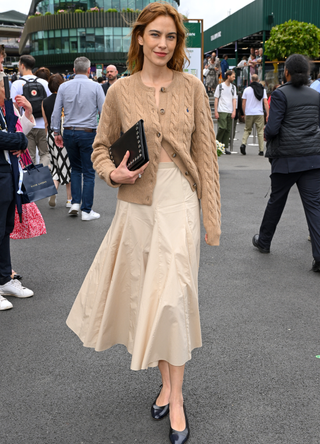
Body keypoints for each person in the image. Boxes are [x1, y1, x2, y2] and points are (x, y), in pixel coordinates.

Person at [66, 3, 221, 443]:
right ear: (140, 38)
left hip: (179, 201)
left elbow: (206, 155)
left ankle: (176, 399)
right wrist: (112, 173)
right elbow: (100, 148)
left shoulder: (191, 87)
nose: (162, 43)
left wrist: (211, 217)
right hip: (137, 205)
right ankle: (168, 384)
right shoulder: (118, 91)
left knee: (172, 298)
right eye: (155, 35)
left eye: (170, 37)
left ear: (178, 43)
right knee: (153, 299)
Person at [252, 54, 320, 273]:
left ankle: (264, 241)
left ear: (287, 72)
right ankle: (319, 258)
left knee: (276, 201)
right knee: (314, 206)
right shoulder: (315, 95)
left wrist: (266, 133)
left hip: (287, 159)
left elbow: (272, 129)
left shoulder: (280, 94)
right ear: (307, 73)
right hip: (312, 158)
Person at [51, 57, 105, 221]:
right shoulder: (96, 86)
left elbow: (56, 111)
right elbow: (103, 112)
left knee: (75, 168)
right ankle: (86, 210)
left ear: (74, 70)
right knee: (89, 172)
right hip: (88, 131)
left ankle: (75, 203)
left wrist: (56, 132)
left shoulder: (63, 87)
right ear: (89, 70)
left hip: (68, 131)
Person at [0, 68, 35, 310]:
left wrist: (19, 137)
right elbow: (16, 138)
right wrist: (19, 141)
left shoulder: (5, 107)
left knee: (4, 228)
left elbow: (20, 131)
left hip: (8, 172)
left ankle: (4, 279)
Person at [10, 55, 51, 167]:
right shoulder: (44, 83)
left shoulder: (16, 84)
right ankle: (44, 179)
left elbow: (15, 108)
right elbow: (49, 104)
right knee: (45, 154)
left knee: (29, 155)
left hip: (27, 125)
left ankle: (33, 181)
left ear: (22, 65)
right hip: (43, 125)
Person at [42, 74, 72, 208]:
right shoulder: (66, 99)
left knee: (55, 165)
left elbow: (46, 123)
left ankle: (53, 191)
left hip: (50, 135)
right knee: (67, 165)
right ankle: (70, 199)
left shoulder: (45, 101)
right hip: (62, 134)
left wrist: (48, 139)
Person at [240, 74, 269, 156]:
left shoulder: (247, 90)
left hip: (249, 112)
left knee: (247, 130)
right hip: (259, 113)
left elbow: (243, 103)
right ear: (258, 80)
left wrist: (244, 113)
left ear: (251, 80)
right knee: (260, 131)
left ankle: (243, 144)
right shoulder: (262, 90)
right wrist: (268, 114)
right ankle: (261, 150)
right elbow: (265, 102)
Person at [214, 70, 237, 154]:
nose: (234, 78)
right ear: (228, 76)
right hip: (222, 110)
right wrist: (216, 111)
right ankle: (216, 145)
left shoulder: (233, 87)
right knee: (222, 128)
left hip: (230, 110)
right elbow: (216, 99)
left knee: (228, 129)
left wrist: (234, 110)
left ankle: (224, 147)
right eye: (233, 76)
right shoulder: (220, 86)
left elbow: (234, 99)